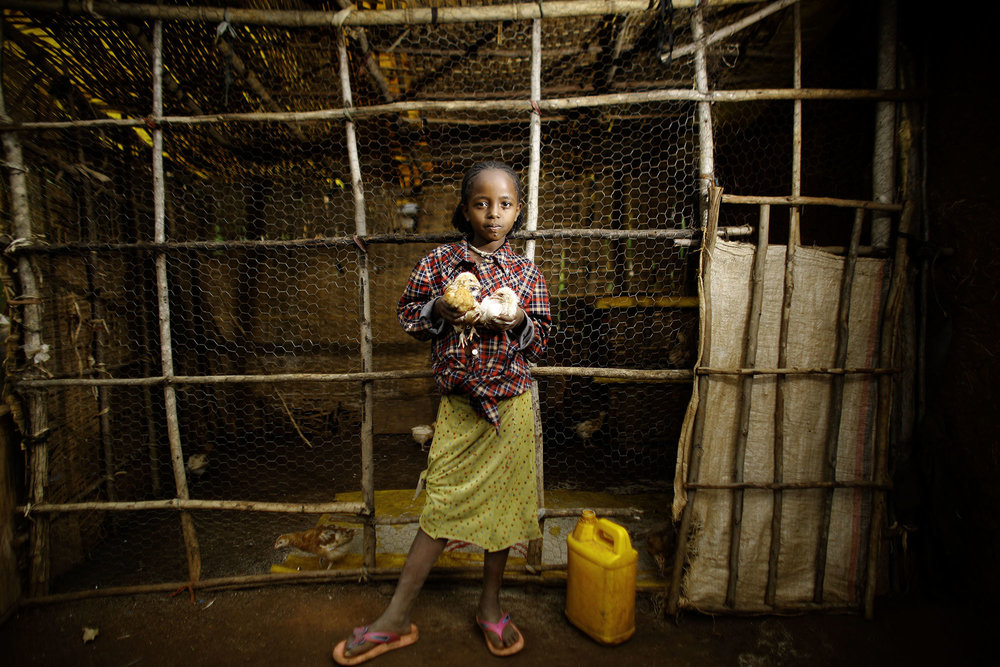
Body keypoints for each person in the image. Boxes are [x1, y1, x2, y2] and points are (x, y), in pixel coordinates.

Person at [333, 161, 550, 664]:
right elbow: (408, 316)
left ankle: (489, 605)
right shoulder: (442, 262)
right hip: (458, 406)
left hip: (512, 406)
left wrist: (516, 319)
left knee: (507, 507)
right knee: (441, 506)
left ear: (518, 212)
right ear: (465, 208)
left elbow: (541, 343)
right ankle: (395, 618)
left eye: (504, 204)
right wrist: (439, 311)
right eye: (481, 203)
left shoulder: (527, 274)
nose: (492, 214)